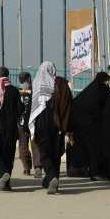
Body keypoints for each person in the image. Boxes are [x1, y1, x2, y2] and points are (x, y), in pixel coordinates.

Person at [29, 61, 73, 195]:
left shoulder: (37, 84)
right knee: (56, 153)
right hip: (58, 124)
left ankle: (52, 177)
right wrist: (68, 127)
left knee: (44, 153)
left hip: (42, 123)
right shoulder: (60, 83)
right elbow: (69, 105)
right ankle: (52, 182)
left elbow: (34, 107)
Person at [68, 72, 110, 179]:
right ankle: (94, 172)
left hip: (80, 125)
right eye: (106, 81)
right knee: (94, 149)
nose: (107, 83)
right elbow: (104, 107)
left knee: (82, 147)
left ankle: (80, 169)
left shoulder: (89, 90)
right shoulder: (101, 90)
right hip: (92, 125)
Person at [17, 72, 42, 178]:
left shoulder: (17, 91)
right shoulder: (35, 90)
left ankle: (27, 168)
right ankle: (38, 167)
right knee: (35, 144)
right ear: (28, 78)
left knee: (23, 145)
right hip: (33, 121)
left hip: (21, 122)